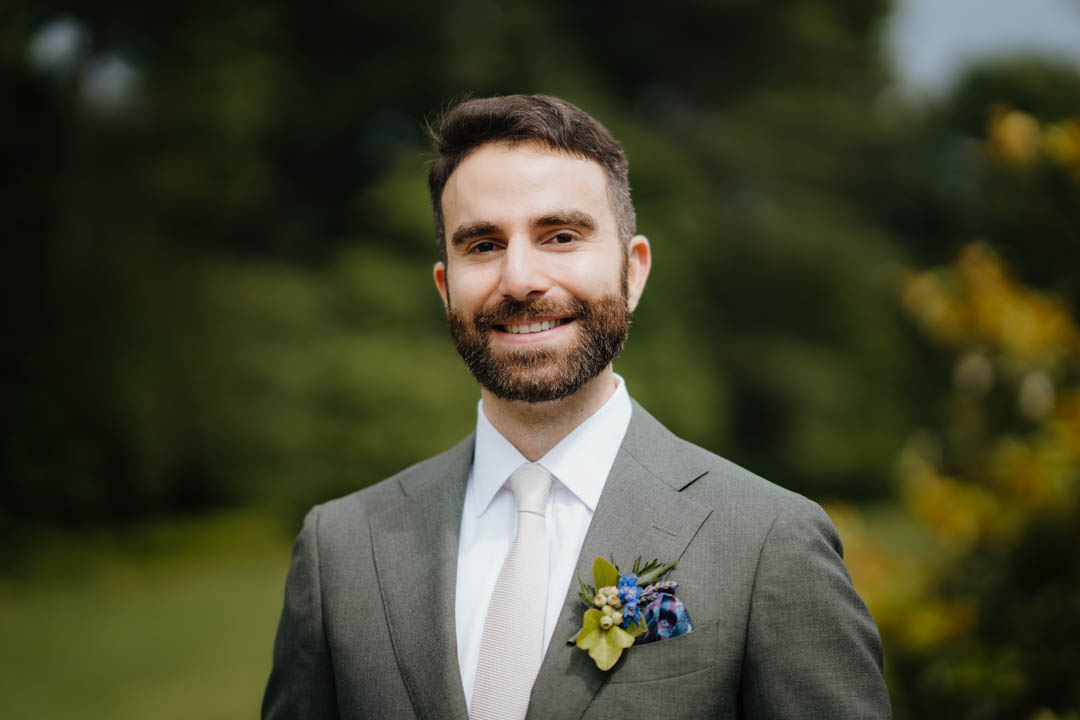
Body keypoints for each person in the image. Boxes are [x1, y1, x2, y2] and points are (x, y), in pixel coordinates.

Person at [262, 94, 892, 719]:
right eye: (481, 245)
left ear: (633, 270)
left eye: (560, 236)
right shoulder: (339, 549)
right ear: (443, 285)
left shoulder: (770, 543)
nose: (520, 279)